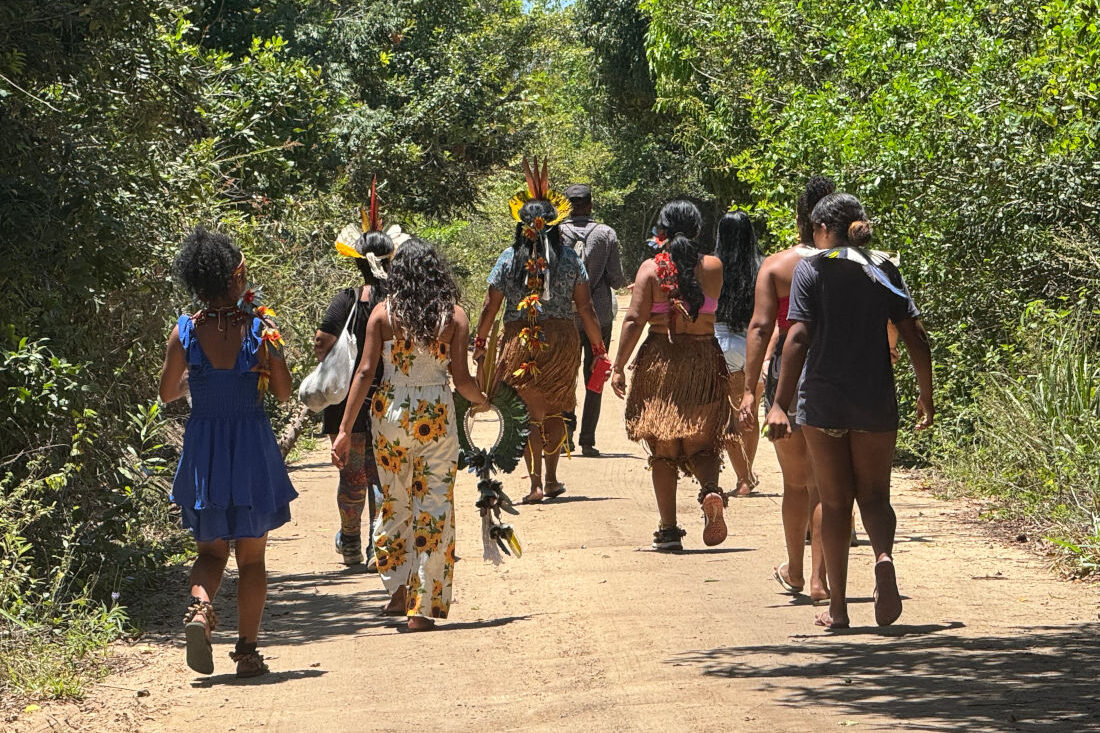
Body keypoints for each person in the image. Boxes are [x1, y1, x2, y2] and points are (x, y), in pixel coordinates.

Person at [766, 192, 934, 629]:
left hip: (823, 403)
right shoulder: (883, 267)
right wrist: (926, 393)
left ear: (822, 230)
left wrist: (780, 403)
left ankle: (838, 608)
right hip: (875, 399)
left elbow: (798, 337)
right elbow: (914, 334)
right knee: (876, 497)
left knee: (836, 503)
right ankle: (883, 557)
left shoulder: (812, 269)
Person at [159, 227, 297, 678]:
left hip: (205, 452)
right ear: (236, 278)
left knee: (212, 553)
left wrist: (198, 384)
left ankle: (200, 610)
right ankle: (248, 652)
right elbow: (281, 393)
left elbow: (166, 392)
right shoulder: (260, 330)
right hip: (251, 449)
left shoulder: (185, 332)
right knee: (252, 558)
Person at [332, 238, 488, 631]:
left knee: (395, 500)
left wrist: (345, 429)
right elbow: (461, 377)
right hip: (435, 413)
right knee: (434, 505)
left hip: (390, 415)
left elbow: (366, 373)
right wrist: (484, 401)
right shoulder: (454, 316)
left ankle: (398, 589)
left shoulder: (382, 314)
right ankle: (422, 606)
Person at [473, 160, 609, 504]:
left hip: (519, 341)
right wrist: (597, 346)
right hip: (561, 340)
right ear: (554, 224)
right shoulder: (569, 260)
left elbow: (491, 307)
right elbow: (586, 308)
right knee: (556, 408)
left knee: (528, 410)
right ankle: (550, 478)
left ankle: (534, 482)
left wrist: (481, 342)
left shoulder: (508, 258)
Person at [611, 200, 735, 551]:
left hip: (662, 364)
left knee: (664, 448)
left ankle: (668, 530)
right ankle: (710, 490)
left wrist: (618, 366)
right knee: (703, 440)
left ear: (660, 232)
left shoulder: (649, 270)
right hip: (704, 360)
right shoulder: (713, 267)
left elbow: (634, 320)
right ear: (697, 230)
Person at [740, 175, 835, 603]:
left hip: (789, 378)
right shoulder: (852, 262)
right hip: (838, 376)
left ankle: (796, 571)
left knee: (796, 484)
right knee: (826, 486)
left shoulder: (777, 267)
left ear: (801, 217)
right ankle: (821, 580)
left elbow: (761, 327)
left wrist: (748, 389)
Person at [315, 226, 394, 568]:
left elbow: (321, 341)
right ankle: (379, 546)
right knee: (382, 474)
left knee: (351, 475)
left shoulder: (345, 301)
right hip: (388, 398)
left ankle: (349, 542)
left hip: (346, 400)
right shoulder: (397, 301)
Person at [560, 184, 626, 457]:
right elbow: (616, 279)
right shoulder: (606, 233)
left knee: (565, 376)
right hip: (599, 315)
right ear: (590, 205)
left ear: (567, 205)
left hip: (566, 314)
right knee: (595, 373)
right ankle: (588, 440)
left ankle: (564, 437)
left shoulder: (557, 233)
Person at [713, 210, 764, 497]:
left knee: (732, 416)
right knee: (751, 413)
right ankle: (748, 473)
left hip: (723, 342)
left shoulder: (713, 265)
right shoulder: (763, 266)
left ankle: (743, 478)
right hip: (754, 344)